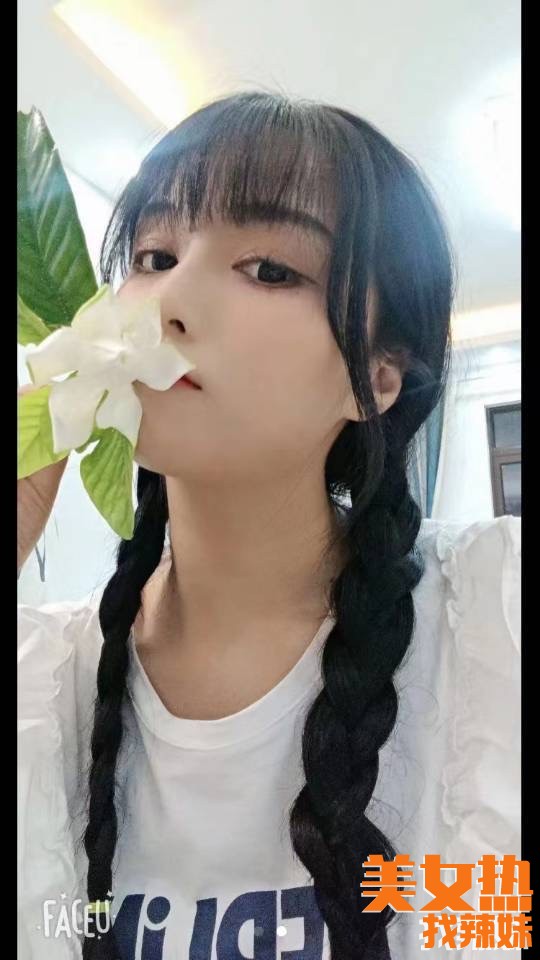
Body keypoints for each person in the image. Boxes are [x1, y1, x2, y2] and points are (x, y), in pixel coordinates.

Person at [18, 90, 521, 960]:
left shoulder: (490, 625)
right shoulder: (41, 682)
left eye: (270, 270)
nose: (168, 302)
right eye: (153, 255)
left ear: (378, 374)